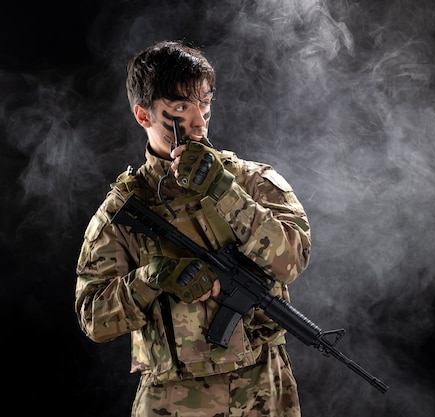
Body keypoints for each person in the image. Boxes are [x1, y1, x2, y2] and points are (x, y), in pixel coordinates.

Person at [75, 40, 312, 416]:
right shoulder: (123, 211)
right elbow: (93, 319)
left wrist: (225, 192)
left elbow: (291, 261)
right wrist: (152, 278)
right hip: (173, 398)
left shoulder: (251, 181)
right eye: (181, 108)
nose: (199, 122)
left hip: (263, 389)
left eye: (205, 104)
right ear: (143, 115)